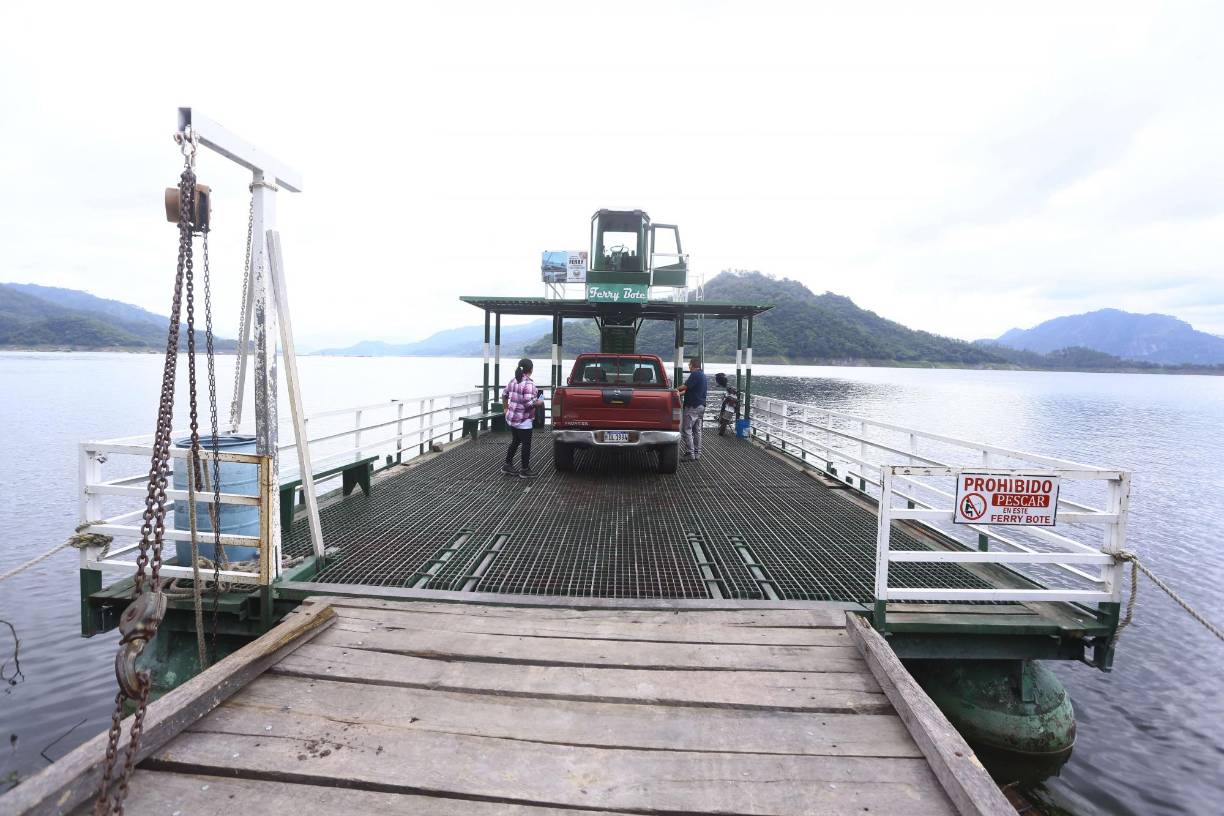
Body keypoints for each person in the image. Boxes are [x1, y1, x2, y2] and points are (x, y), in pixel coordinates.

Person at [501, 358, 543, 479]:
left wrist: (505, 408)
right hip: (524, 420)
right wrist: (539, 402)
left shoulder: (513, 380)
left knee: (515, 441)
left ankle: (507, 465)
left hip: (512, 418)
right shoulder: (529, 384)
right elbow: (528, 404)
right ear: (531, 369)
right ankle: (524, 470)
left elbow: (504, 394)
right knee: (526, 444)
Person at [677, 357, 707, 461]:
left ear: (693, 365)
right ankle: (697, 453)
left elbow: (685, 386)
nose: (688, 366)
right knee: (697, 431)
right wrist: (678, 394)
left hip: (692, 406)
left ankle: (690, 453)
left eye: (689, 364)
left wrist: (674, 390)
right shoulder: (702, 375)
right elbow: (688, 390)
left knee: (687, 429)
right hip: (701, 407)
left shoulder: (695, 374)